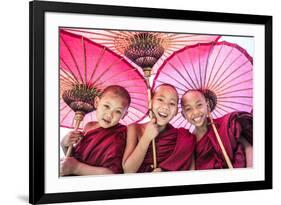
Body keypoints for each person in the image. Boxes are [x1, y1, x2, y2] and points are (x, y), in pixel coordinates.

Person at [122, 84, 196, 173]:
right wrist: (146, 138)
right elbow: (128, 170)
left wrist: (166, 174)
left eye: (172, 103)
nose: (165, 107)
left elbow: (191, 173)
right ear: (150, 103)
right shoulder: (134, 128)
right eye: (160, 99)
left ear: (176, 111)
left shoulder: (183, 138)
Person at [60, 85, 131, 176]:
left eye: (118, 111)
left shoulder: (122, 134)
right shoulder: (88, 126)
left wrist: (77, 168)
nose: (109, 115)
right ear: (97, 102)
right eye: (106, 106)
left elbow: (113, 174)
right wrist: (64, 144)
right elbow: (74, 159)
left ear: (124, 114)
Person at [181, 89, 253, 170]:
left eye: (199, 105)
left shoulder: (226, 124)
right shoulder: (189, 142)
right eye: (188, 109)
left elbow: (248, 147)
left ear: (207, 106)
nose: (195, 112)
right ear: (183, 114)